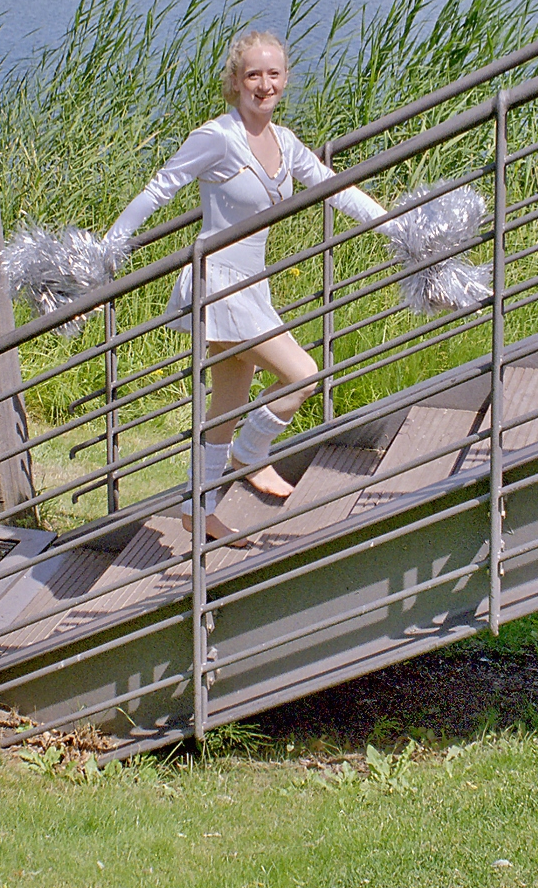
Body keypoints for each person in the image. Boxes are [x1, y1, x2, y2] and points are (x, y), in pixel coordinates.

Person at [103, 29, 388, 539]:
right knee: (302, 374)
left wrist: (397, 226)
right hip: (218, 283)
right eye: (253, 74)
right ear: (235, 81)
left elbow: (336, 190)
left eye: (273, 74)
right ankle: (250, 452)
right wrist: (104, 255)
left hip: (252, 285)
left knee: (226, 405)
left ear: (286, 79)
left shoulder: (285, 142)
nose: (264, 85)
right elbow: (158, 191)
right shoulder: (217, 137)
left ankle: (198, 508)